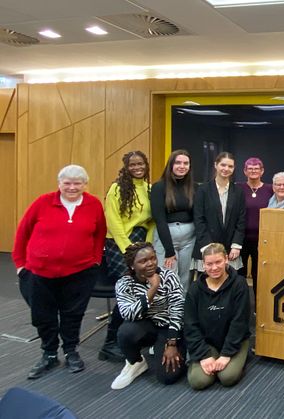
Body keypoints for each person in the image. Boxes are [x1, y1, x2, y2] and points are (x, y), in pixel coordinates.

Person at [12, 165, 106, 379]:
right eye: (67, 183)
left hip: (80, 272)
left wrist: (95, 262)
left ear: (84, 185)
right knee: (42, 316)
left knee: (72, 315)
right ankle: (49, 354)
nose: (72, 187)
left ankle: (71, 351)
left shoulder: (93, 205)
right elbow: (22, 232)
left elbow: (100, 233)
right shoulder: (43, 202)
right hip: (39, 273)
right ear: (59, 184)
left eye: (77, 183)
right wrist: (20, 265)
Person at [100, 150, 155, 363]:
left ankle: (131, 338)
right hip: (119, 244)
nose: (137, 168)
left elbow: (152, 221)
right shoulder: (117, 189)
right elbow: (114, 223)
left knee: (141, 291)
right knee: (128, 293)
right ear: (126, 166)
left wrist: (146, 247)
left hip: (141, 243)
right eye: (132, 165)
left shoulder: (150, 189)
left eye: (140, 163)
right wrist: (130, 252)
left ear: (146, 165)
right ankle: (109, 343)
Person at [111, 242, 186, 389]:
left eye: (153, 258)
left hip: (168, 327)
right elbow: (129, 314)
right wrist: (153, 288)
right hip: (145, 325)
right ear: (132, 266)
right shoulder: (124, 283)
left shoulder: (169, 276)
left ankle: (164, 346)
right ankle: (136, 362)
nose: (150, 263)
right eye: (143, 261)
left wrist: (172, 344)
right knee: (125, 332)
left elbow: (178, 310)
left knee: (167, 377)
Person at [184, 243, 252, 390]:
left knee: (227, 377)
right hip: (207, 341)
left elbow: (239, 322)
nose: (214, 268)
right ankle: (209, 359)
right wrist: (203, 355)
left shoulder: (239, 284)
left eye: (218, 262)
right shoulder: (195, 289)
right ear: (203, 264)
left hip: (235, 340)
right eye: (209, 264)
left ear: (226, 259)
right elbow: (190, 325)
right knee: (198, 381)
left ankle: (240, 357)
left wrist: (227, 354)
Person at [192, 152, 246, 272]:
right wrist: (208, 247)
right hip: (207, 246)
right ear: (216, 165)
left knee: (229, 284)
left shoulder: (238, 191)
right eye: (223, 165)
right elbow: (199, 219)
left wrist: (236, 245)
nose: (226, 169)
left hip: (230, 248)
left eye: (230, 166)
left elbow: (241, 220)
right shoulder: (203, 190)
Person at [151, 149, 196, 291]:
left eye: (186, 163)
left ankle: (181, 311)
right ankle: (167, 312)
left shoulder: (194, 187)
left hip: (189, 240)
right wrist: (169, 251)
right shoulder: (159, 187)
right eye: (178, 162)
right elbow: (159, 219)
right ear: (171, 164)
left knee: (185, 278)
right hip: (167, 240)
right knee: (167, 277)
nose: (182, 166)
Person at [237, 157, 273, 298]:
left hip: (262, 240)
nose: (253, 171)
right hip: (241, 239)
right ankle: (242, 305)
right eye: (250, 168)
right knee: (240, 274)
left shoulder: (270, 189)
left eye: (256, 168)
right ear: (245, 171)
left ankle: (259, 309)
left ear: (262, 171)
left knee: (260, 275)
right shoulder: (238, 188)